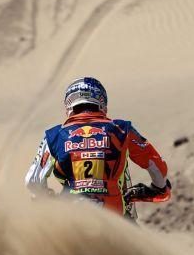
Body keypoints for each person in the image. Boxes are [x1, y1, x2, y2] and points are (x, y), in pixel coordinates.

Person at [24, 76, 171, 218]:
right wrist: (160, 188)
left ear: (69, 104)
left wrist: (48, 198)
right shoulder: (121, 129)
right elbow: (155, 163)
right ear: (102, 102)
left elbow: (33, 181)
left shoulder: (53, 135)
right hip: (114, 215)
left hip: (69, 215)